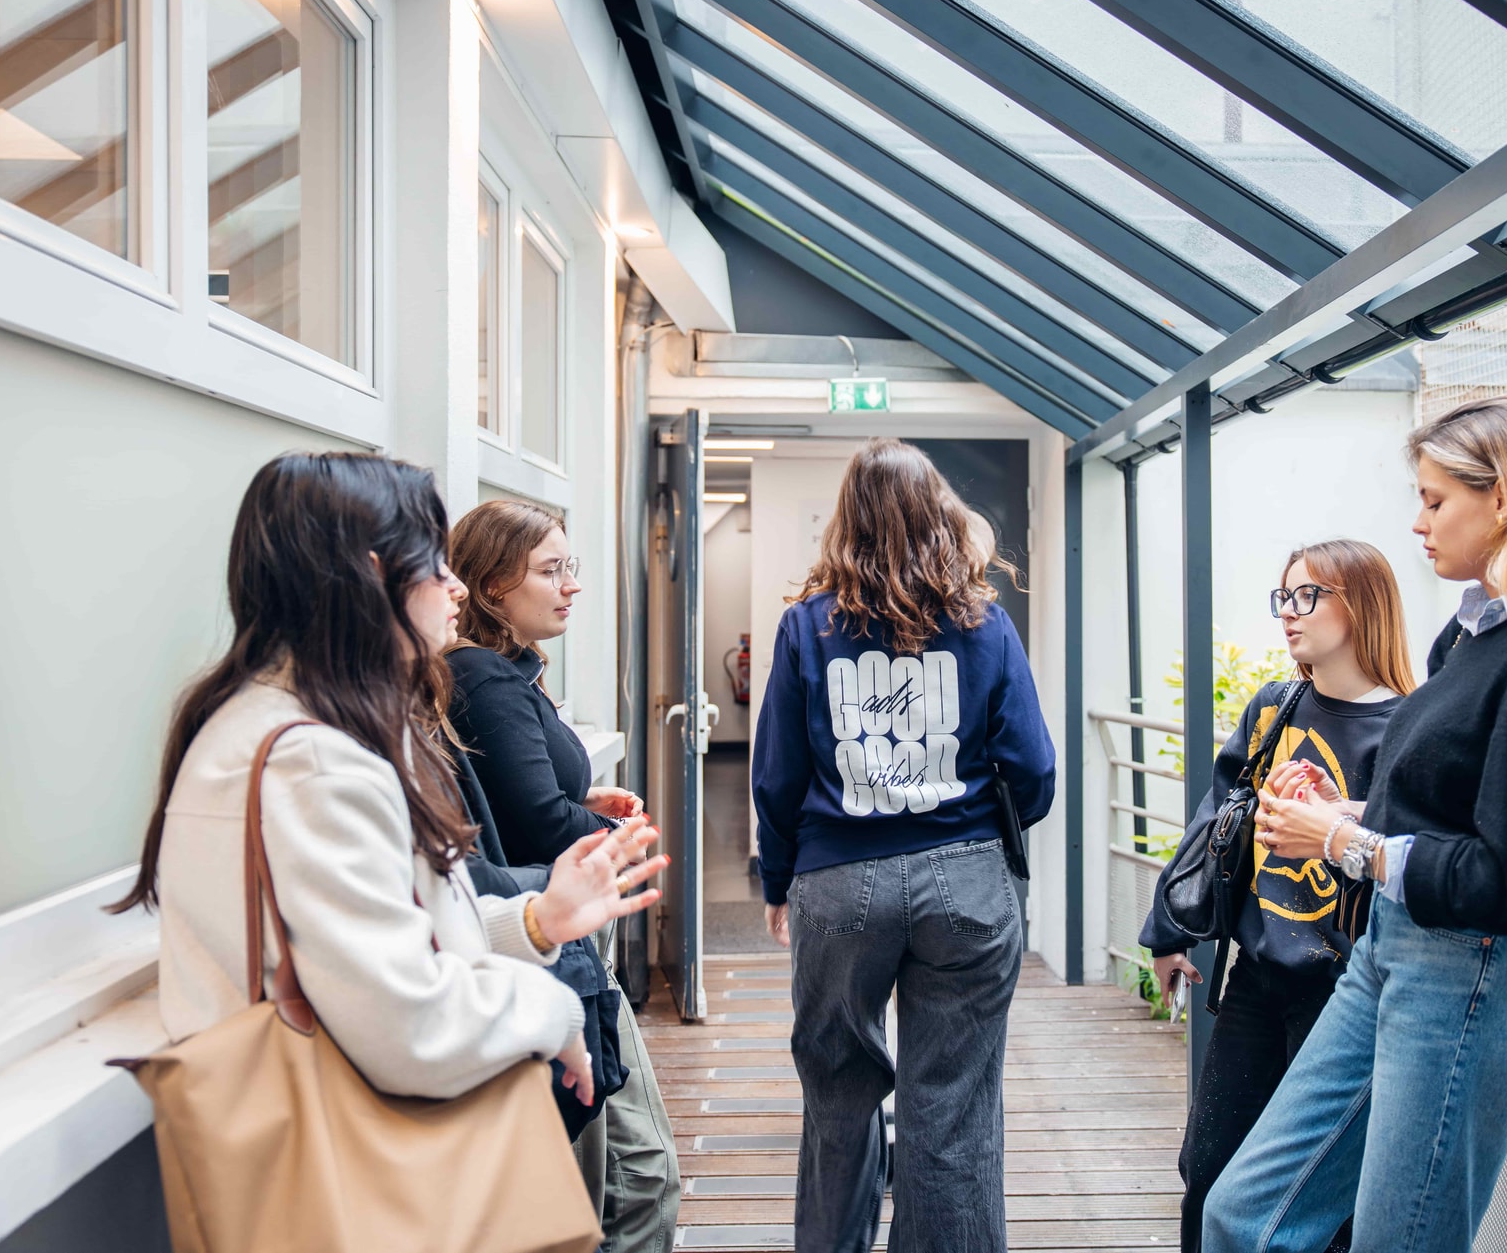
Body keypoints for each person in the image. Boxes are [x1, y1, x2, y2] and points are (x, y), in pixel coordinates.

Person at [1199, 398, 1507, 1251]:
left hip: (1465, 970)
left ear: (1501, 500)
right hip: (1394, 951)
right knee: (1241, 1214)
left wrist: (1342, 842)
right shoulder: (1474, 637)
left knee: (1397, 1239)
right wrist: (1350, 810)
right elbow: (1450, 809)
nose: (1417, 522)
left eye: (1434, 500)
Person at [115, 451, 664, 1119]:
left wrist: (537, 921)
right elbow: (411, 1026)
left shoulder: (300, 725)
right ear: (375, 576)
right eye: (436, 562)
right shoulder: (312, 762)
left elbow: (396, 934)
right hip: (335, 1151)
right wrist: (553, 1009)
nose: (455, 587)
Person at [753, 438, 1056, 1253]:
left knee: (840, 1095)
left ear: (846, 522)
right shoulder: (985, 625)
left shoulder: (804, 628)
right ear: (941, 518)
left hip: (838, 882)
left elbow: (777, 774)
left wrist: (779, 879)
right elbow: (1034, 771)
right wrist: (981, 833)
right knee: (950, 1108)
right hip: (966, 882)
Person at [1141, 540, 1414, 1253]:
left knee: (1325, 1197)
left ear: (1359, 604)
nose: (1288, 614)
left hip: (1347, 996)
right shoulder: (1276, 707)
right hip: (1258, 980)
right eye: (1282, 597)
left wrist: (1337, 815)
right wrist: (1169, 932)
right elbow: (1214, 820)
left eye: (1307, 596)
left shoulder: (1409, 728)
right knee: (1207, 1168)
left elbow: (1412, 855)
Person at [444, 498, 681, 1253]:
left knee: (630, 1175)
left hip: (546, 939)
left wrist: (583, 803)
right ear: (490, 588)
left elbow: (536, 804)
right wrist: (615, 833)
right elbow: (543, 828)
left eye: (569, 566)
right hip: (539, 951)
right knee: (627, 1184)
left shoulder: (509, 671)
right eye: (551, 570)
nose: (570, 585)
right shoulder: (483, 677)